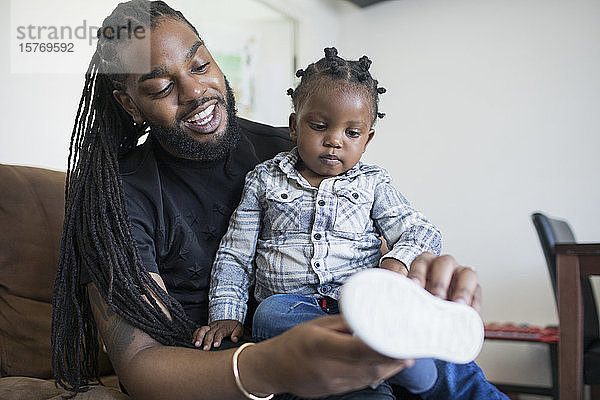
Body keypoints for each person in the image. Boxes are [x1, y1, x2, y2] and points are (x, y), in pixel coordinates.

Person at [50, 1, 505, 399]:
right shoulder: (118, 198)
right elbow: (141, 366)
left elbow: (381, 236)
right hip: (237, 368)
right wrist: (272, 366)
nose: (194, 92)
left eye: (200, 65)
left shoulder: (294, 152)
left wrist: (419, 279)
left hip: (348, 327)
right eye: (160, 87)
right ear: (129, 105)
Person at [195, 47, 452, 396]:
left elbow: (422, 231)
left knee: (445, 357)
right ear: (294, 127)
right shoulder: (264, 180)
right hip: (292, 307)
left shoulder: (373, 182)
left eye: (352, 133)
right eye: (319, 126)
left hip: (360, 305)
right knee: (268, 315)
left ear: (368, 140)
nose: (334, 140)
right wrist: (226, 313)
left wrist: (396, 260)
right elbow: (235, 255)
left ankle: (381, 350)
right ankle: (378, 353)